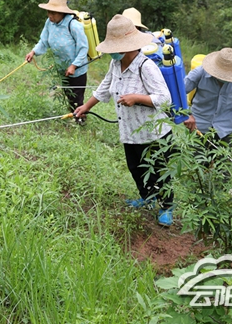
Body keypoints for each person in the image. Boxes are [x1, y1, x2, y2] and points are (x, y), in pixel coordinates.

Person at [73, 14, 175, 226]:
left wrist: (137, 98)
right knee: (136, 168)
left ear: (128, 46)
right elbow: (104, 87)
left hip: (153, 134)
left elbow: (165, 99)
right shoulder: (115, 64)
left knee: (159, 171)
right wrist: (86, 107)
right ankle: (147, 198)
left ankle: (166, 207)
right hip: (130, 131)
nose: (113, 52)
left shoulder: (145, 66)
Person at [25, 0, 89, 124]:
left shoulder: (74, 26)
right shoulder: (49, 23)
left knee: (77, 97)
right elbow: (43, 41)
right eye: (49, 12)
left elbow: (83, 48)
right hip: (62, 68)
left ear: (62, 13)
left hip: (77, 69)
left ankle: (80, 121)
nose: (50, 15)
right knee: (68, 94)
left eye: (53, 13)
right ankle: (73, 117)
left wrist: (74, 65)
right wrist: (33, 52)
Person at [184, 48, 232, 144]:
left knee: (224, 153)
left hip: (225, 128)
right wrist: (187, 114)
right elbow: (179, 93)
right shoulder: (199, 73)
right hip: (198, 126)